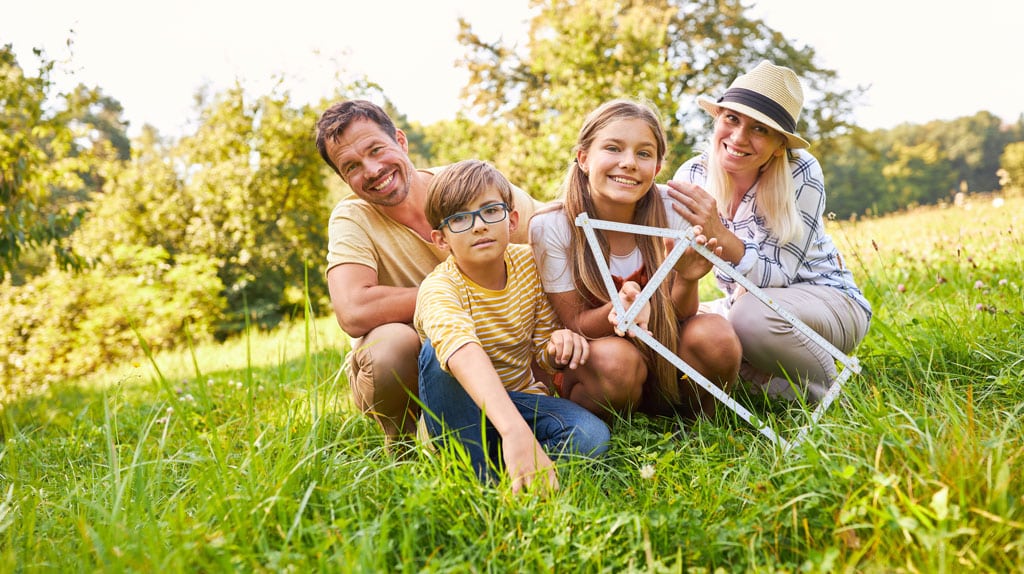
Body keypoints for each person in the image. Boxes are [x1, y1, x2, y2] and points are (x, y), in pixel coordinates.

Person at [316, 100, 541, 445]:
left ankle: (540, 415)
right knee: (389, 346)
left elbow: (549, 229)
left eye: (377, 149)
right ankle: (404, 443)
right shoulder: (352, 218)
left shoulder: (466, 186)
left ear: (401, 142)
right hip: (421, 366)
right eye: (352, 166)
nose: (373, 169)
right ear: (344, 179)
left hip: (503, 355)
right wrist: (457, 292)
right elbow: (353, 310)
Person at [668, 61, 872, 403]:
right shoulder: (693, 174)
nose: (738, 137)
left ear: (780, 145)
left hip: (827, 302)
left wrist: (718, 231)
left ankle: (834, 395)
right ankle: (775, 387)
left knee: (749, 317)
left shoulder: (800, 171)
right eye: (731, 119)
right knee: (687, 331)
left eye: (759, 129)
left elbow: (777, 277)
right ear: (717, 118)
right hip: (745, 306)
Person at [529, 99, 742, 421]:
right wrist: (616, 312)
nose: (629, 163)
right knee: (618, 360)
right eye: (613, 148)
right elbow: (575, 323)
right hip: (601, 362)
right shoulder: (552, 226)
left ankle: (702, 423)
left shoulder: (675, 209)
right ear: (583, 158)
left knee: (716, 334)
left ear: (657, 168)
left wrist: (687, 279)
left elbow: (681, 314)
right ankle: (612, 426)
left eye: (643, 153)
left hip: (665, 353)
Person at [414, 159, 610, 492]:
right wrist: (513, 431)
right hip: (460, 411)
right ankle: (480, 477)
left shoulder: (529, 264)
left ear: (512, 218)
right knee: (437, 354)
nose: (478, 226)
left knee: (591, 436)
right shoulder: (439, 288)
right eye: (460, 218)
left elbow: (542, 347)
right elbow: (461, 348)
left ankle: (518, 469)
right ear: (441, 239)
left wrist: (557, 345)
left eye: (490, 211)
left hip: (520, 401)